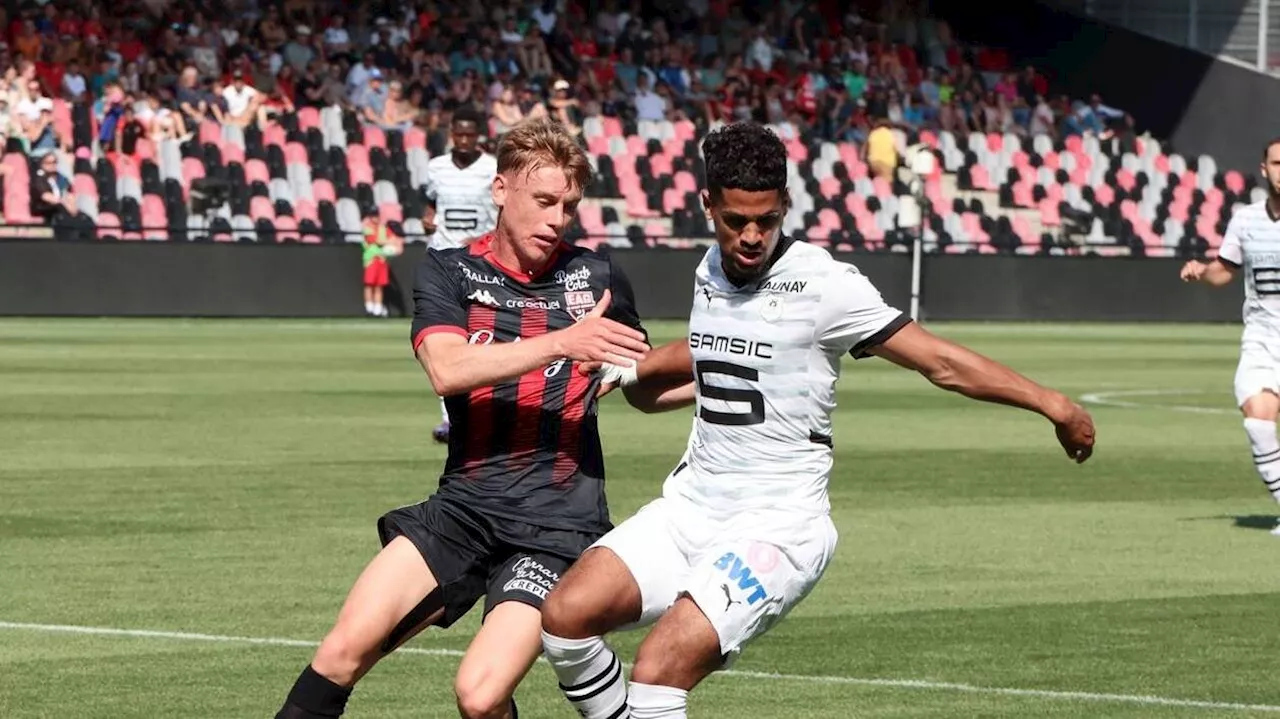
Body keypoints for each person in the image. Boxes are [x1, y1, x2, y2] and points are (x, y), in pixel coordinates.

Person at [538, 121, 1097, 719]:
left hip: (777, 529)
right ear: (708, 206)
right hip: (689, 512)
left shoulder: (826, 286)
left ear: (786, 206)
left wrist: (1054, 405)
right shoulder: (709, 270)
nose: (751, 236)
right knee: (565, 617)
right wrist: (633, 369)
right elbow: (708, 346)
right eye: (735, 221)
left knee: (659, 668)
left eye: (767, 220)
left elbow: (939, 361)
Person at [273, 116, 652, 719]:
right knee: (340, 651)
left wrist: (719, 368)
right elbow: (446, 371)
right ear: (501, 190)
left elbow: (637, 381)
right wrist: (563, 345)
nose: (557, 219)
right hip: (463, 510)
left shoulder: (599, 275)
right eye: (544, 201)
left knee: (479, 696)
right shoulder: (449, 271)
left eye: (569, 206)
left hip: (556, 530)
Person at [1180, 137, 1280, 534]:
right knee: (1258, 420)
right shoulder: (1245, 219)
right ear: (1264, 168)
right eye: (1277, 162)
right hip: (1262, 336)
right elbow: (1225, 270)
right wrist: (1203, 270)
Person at [422, 105, 499, 443]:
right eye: (459, 134)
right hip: (441, 259)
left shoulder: (492, 169)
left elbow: (505, 211)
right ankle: (449, 420)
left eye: (471, 134)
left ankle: (487, 413)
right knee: (443, 340)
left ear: (479, 135)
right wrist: (428, 218)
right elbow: (430, 203)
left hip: (480, 261)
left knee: (482, 338)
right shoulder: (436, 167)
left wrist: (485, 239)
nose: (465, 140)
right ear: (451, 133)